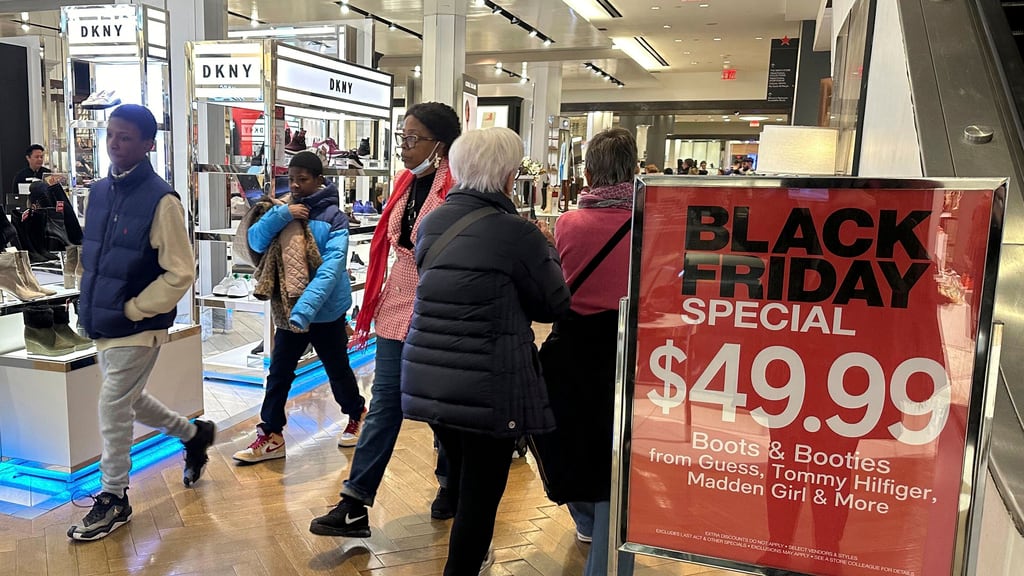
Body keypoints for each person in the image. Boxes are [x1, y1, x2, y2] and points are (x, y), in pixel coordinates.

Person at [401, 126, 571, 575]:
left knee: (462, 478)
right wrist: (548, 251)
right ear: (509, 175)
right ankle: (463, 567)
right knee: (482, 490)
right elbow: (553, 305)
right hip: (490, 381)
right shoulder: (519, 234)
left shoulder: (434, 221)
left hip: (431, 374)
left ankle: (468, 558)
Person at [308, 102, 462, 538]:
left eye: (413, 139)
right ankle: (355, 502)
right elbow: (395, 240)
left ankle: (451, 480)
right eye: (402, 137)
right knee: (386, 402)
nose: (404, 147)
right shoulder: (405, 183)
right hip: (397, 302)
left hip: (438, 304)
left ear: (440, 144)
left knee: (439, 405)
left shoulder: (458, 185)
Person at [68, 104, 216, 541]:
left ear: (149, 144)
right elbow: (93, 257)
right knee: (128, 398)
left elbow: (181, 271)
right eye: (111, 134)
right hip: (102, 320)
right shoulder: (98, 192)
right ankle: (193, 435)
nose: (115, 143)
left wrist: (135, 309)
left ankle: (114, 496)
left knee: (113, 404)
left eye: (126, 136)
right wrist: (87, 302)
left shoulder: (162, 199)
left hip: (139, 325)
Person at [232, 151, 366, 463]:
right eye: (291, 179)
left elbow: (332, 269)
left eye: (303, 180)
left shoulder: (335, 218)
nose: (295, 185)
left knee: (337, 368)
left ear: (319, 180)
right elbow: (254, 240)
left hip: (325, 310)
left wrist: (305, 309)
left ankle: (357, 412)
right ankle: (271, 434)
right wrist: (284, 215)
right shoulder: (282, 209)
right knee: (279, 372)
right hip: (289, 311)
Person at [555, 127, 638, 576]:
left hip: (576, 347)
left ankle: (587, 519)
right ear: (636, 170)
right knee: (617, 453)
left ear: (587, 173)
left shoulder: (568, 223)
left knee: (575, 441)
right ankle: (609, 546)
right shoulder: (651, 223)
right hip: (632, 350)